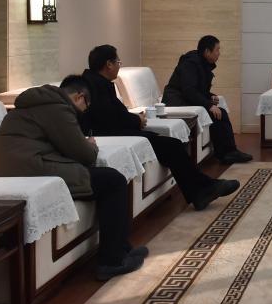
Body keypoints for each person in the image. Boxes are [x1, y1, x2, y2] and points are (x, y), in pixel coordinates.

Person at [0, 77, 146, 281]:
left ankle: (122, 248)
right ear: (80, 97)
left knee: (107, 178)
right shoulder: (57, 109)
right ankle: (111, 261)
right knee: (113, 181)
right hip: (29, 168)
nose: (83, 113)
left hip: (18, 166)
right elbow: (84, 155)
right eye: (85, 107)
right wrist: (91, 145)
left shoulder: (38, 104)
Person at [81, 45, 239, 211]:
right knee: (172, 146)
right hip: (113, 136)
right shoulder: (94, 86)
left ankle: (202, 190)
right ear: (109, 64)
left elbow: (114, 114)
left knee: (172, 145)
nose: (119, 66)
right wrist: (136, 120)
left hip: (120, 132)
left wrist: (136, 119)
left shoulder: (96, 82)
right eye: (118, 62)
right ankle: (202, 190)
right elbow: (109, 118)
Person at [163, 35, 253, 165]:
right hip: (176, 103)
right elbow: (189, 90)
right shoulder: (190, 63)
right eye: (217, 50)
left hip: (186, 99)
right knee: (216, 113)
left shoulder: (203, 63)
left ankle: (229, 152)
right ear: (207, 51)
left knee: (220, 113)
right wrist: (209, 105)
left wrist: (210, 96)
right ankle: (226, 153)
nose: (219, 53)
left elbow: (198, 89)